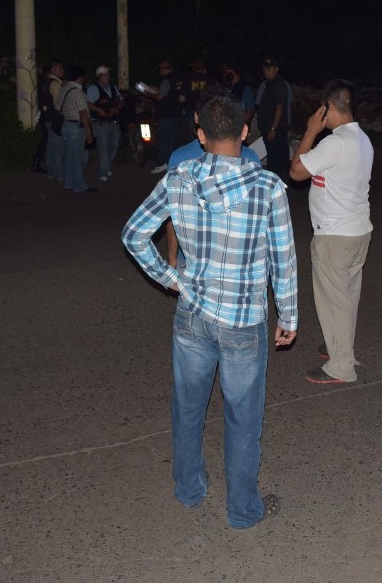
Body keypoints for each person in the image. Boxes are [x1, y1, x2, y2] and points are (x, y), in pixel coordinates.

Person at [121, 94, 298, 529]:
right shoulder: (268, 187)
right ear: (244, 133)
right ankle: (242, 510)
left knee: (187, 407)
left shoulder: (178, 178)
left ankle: (189, 489)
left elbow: (133, 235)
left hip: (192, 315)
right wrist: (289, 317)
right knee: (243, 418)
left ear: (200, 136)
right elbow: (284, 260)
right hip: (242, 321)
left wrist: (171, 278)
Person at [289, 79, 373, 384]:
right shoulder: (362, 139)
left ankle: (341, 367)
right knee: (346, 298)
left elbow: (296, 171)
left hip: (335, 236)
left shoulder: (334, 143)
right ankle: (341, 349)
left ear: (328, 107)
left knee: (335, 301)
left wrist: (310, 131)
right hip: (357, 231)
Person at [165, 88, 261, 268]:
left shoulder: (180, 158)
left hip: (193, 255)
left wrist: (172, 258)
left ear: (197, 118)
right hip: (237, 254)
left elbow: (172, 213)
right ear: (242, 127)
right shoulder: (251, 158)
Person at [249, 57, 292, 180]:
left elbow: (280, 107)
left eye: (269, 69)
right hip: (268, 125)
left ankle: (276, 180)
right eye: (264, 68)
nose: (266, 71)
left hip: (274, 127)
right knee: (277, 153)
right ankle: (282, 177)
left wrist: (273, 127)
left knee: (275, 156)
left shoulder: (279, 85)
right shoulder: (268, 84)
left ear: (276, 69)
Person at [56, 65, 96, 194]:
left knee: (69, 157)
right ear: (79, 77)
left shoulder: (65, 88)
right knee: (80, 158)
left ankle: (69, 183)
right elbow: (83, 114)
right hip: (76, 128)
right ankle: (79, 185)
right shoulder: (78, 92)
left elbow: (58, 108)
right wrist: (89, 133)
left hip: (66, 126)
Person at [146, 59, 184, 174]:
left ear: (165, 69)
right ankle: (171, 163)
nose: (159, 72)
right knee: (171, 140)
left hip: (167, 115)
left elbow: (160, 97)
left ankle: (162, 163)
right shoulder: (177, 79)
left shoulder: (167, 80)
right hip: (176, 113)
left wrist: (148, 94)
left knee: (163, 141)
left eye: (160, 69)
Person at [87, 65, 122, 182]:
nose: (107, 76)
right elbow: (88, 103)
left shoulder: (112, 87)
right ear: (99, 76)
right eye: (105, 74)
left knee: (114, 146)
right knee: (103, 147)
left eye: (108, 74)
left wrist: (115, 109)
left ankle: (105, 167)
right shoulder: (93, 88)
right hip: (100, 123)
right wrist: (99, 110)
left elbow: (120, 100)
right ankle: (103, 171)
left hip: (112, 121)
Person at [38, 60, 65, 181]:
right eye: (60, 68)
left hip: (46, 118)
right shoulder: (55, 84)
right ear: (52, 70)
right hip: (55, 119)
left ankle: (51, 172)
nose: (62, 71)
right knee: (58, 146)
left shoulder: (45, 83)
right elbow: (58, 103)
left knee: (51, 146)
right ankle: (59, 173)